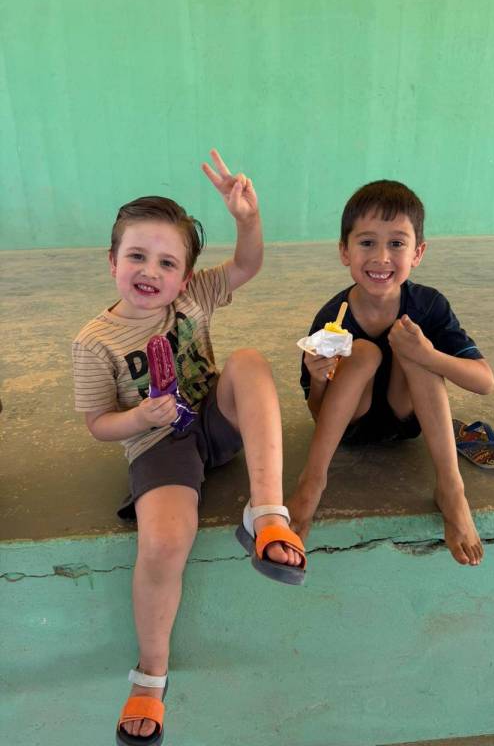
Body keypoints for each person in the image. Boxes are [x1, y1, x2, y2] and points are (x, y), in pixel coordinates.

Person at [72, 150, 305, 745]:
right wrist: (137, 417)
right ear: (112, 261)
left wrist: (247, 218)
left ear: (185, 275)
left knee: (248, 360)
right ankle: (151, 676)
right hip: (158, 444)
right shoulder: (95, 341)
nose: (150, 271)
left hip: (212, 418)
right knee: (164, 542)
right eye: (136, 256)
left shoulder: (193, 299)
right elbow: (98, 422)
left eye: (167, 262)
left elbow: (247, 265)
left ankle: (267, 514)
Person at [289, 179, 494, 568]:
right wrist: (318, 378)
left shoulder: (429, 305)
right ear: (344, 251)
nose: (381, 257)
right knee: (363, 351)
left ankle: (451, 489)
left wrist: (428, 355)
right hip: (350, 427)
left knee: (414, 348)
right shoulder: (332, 318)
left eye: (397, 243)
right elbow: (319, 412)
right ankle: (311, 482)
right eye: (367, 242)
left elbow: (484, 381)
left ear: (418, 253)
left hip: (408, 420)